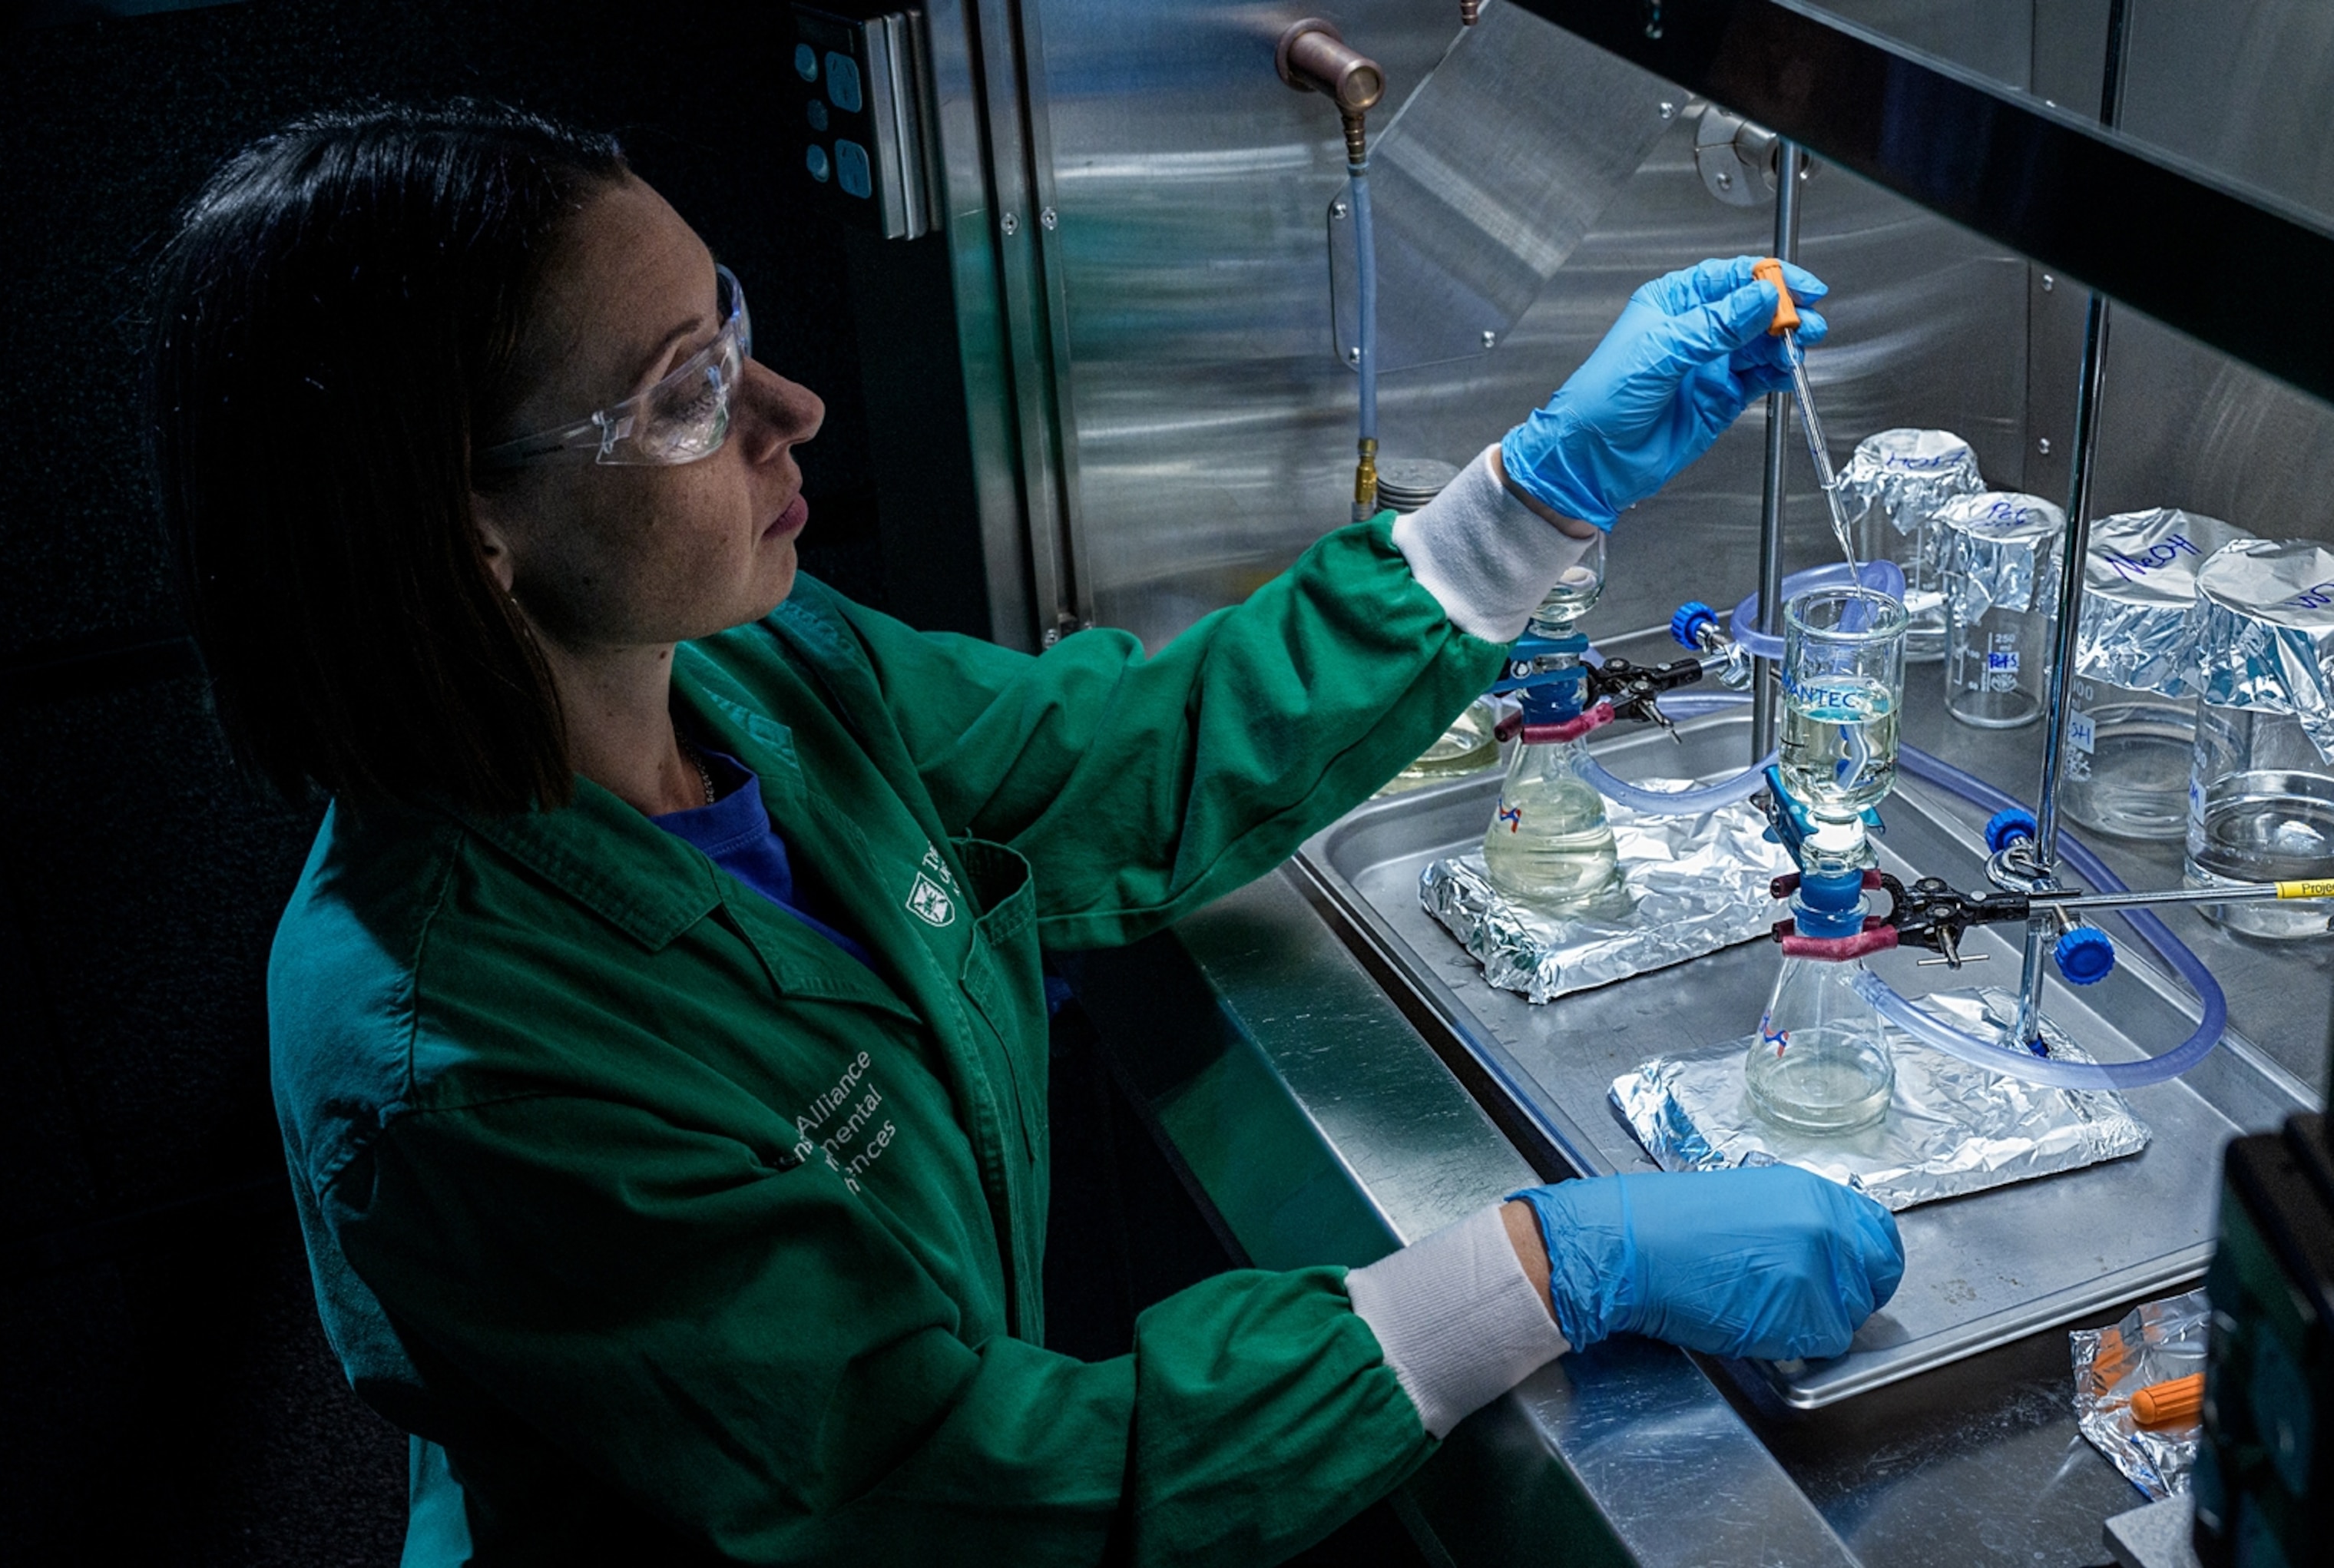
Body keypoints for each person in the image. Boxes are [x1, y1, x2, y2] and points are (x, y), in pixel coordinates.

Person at [151, 103, 1903, 1566]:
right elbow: (956, 1473)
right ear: (471, 535)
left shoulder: (757, 664)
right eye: (688, 395)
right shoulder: (466, 1067)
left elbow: (1110, 766)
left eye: (735, 328)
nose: (790, 412)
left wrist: (1525, 502)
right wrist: (1542, 1266)